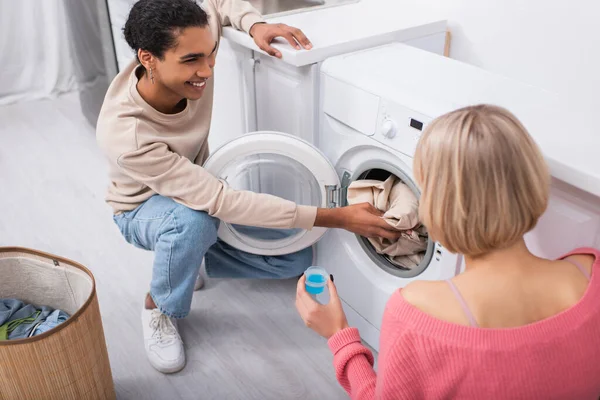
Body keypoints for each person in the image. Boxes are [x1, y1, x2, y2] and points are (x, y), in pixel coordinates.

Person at [96, 0, 399, 374]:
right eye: (193, 60)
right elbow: (219, 199)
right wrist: (335, 217)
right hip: (141, 208)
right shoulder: (126, 132)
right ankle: (158, 306)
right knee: (194, 222)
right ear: (149, 58)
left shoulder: (191, 44)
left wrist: (255, 24)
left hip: (195, 188)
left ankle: (187, 259)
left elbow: (218, 3)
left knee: (297, 258)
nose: (207, 70)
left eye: (210, 54)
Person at [296, 104, 600, 399]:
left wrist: (339, 335)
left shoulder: (416, 314)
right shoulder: (589, 268)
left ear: (439, 203)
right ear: (530, 181)